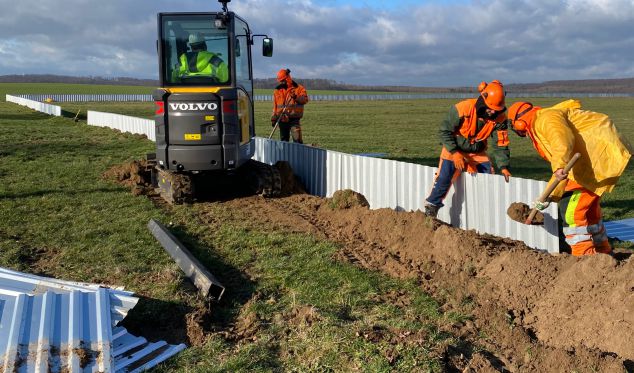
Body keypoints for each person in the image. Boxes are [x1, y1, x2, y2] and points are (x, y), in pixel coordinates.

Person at [507, 99, 632, 256]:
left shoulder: (545, 119)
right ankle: (602, 253)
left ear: (519, 123)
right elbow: (562, 161)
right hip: (590, 159)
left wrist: (559, 168)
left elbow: (562, 145)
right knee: (589, 211)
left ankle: (584, 257)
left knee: (572, 213)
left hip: (595, 158)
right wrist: (550, 195)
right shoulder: (541, 120)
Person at [424, 80, 512, 218]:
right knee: (444, 177)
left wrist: (504, 166)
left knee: (487, 176)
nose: (492, 112)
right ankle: (432, 206)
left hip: (477, 152)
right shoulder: (463, 108)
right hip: (453, 148)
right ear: (483, 99)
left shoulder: (500, 119)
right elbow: (444, 132)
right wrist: (455, 153)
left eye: (496, 110)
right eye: (490, 108)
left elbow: (501, 143)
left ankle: (486, 213)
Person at [271, 68, 309, 143]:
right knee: (284, 142)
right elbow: (275, 106)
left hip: (294, 120)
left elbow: (305, 100)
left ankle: (298, 153)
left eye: (283, 81)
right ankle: (285, 154)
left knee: (297, 141)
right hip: (282, 119)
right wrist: (273, 117)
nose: (282, 83)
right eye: (280, 81)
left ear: (288, 78)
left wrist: (295, 97)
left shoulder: (299, 89)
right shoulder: (277, 91)